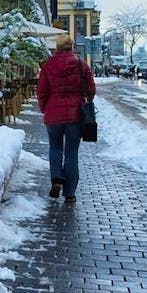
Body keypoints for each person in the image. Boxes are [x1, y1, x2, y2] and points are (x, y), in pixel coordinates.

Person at [37, 34, 95, 204]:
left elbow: (41, 91)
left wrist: (45, 108)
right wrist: (86, 101)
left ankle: (56, 178)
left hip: (53, 114)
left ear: (57, 47)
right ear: (71, 46)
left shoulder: (48, 65)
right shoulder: (81, 64)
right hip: (75, 115)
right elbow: (91, 88)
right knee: (71, 153)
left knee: (55, 148)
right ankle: (69, 194)